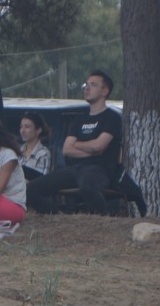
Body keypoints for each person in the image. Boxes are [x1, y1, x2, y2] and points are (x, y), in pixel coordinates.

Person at [27, 70, 122, 215]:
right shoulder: (80, 120)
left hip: (100, 170)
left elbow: (99, 146)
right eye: (86, 84)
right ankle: (59, 217)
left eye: (93, 85)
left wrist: (78, 145)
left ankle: (103, 219)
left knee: (87, 186)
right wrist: (89, 148)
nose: (87, 88)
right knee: (31, 190)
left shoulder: (112, 117)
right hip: (75, 169)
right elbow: (66, 149)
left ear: (105, 91)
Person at [19, 112, 53, 181]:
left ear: (38, 130)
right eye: (21, 127)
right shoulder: (17, 151)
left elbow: (42, 180)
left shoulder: (44, 153)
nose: (23, 131)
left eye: (27, 127)